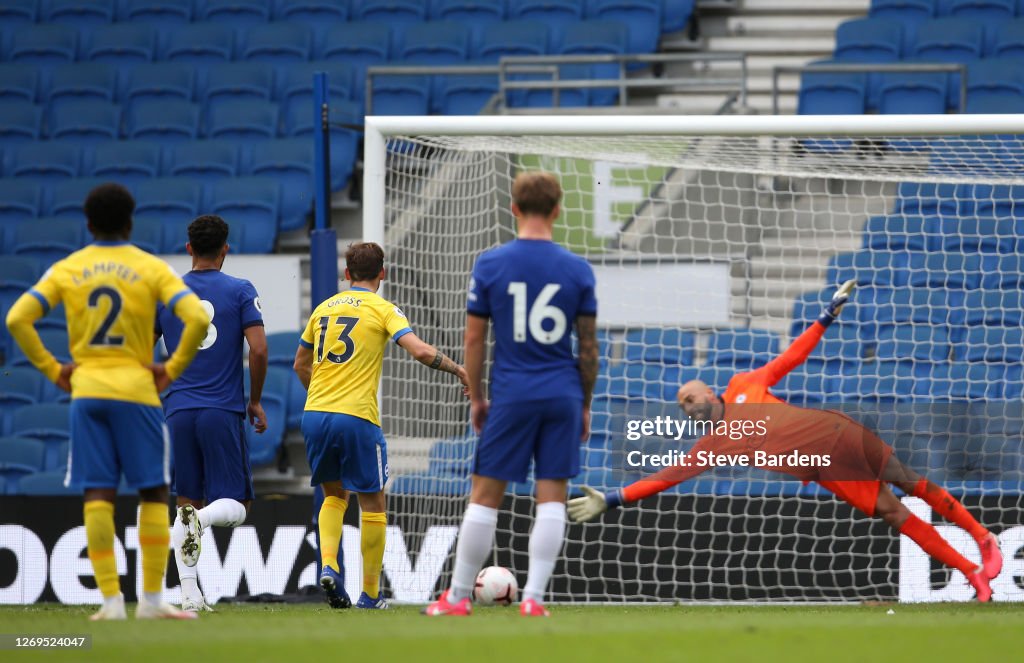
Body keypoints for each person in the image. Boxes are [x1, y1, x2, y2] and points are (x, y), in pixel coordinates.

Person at [567, 280, 1003, 602]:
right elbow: (665, 478)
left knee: (907, 480)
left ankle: (981, 536)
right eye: (681, 405)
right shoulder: (712, 445)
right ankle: (971, 573)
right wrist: (613, 498)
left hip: (836, 433)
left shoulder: (744, 383)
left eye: (688, 398)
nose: (685, 407)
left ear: (707, 392)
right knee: (893, 514)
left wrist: (825, 317)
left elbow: (790, 357)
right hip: (826, 468)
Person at [5, 183, 209, 620]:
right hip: (137, 392)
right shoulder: (150, 267)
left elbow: (18, 317)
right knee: (153, 491)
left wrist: (52, 368)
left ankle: (111, 602)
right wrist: (171, 368)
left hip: (88, 392)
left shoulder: (68, 268)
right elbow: (195, 316)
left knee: (98, 494)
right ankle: (152, 600)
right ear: (130, 223)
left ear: (89, 224)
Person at [424, 171, 599, 618]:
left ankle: (459, 598)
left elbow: (474, 341)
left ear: (514, 208)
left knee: (485, 497)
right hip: (562, 393)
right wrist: (583, 403)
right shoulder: (578, 269)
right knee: (552, 497)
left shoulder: (490, 264)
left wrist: (478, 397)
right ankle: (534, 601)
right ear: (558, 209)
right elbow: (589, 347)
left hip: (513, 392)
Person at [294, 242, 469, 610]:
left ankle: (328, 565)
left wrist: (324, 396)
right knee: (372, 502)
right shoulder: (383, 308)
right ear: (382, 274)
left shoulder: (324, 308)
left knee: (333, 496)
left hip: (314, 415)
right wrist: (458, 369)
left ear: (346, 274)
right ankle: (370, 594)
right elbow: (420, 351)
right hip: (357, 416)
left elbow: (300, 364)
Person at [156, 215, 267, 613]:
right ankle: (201, 524)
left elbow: (141, 348)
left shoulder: (167, 293)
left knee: (185, 501)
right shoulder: (240, 290)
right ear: (226, 248)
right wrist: (254, 400)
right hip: (221, 409)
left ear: (189, 249)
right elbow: (257, 349)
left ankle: (189, 594)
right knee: (236, 507)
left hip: (179, 410)